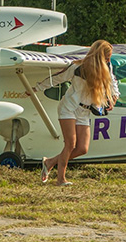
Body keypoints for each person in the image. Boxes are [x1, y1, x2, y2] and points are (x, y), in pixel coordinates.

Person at [30, 40, 119, 186]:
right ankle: (61, 179)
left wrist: (114, 97)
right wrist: (35, 88)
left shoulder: (107, 67)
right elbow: (58, 78)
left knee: (82, 148)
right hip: (69, 107)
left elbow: (112, 82)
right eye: (107, 57)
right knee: (70, 144)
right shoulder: (77, 67)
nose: (109, 60)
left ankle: (50, 162)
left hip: (85, 111)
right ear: (98, 56)